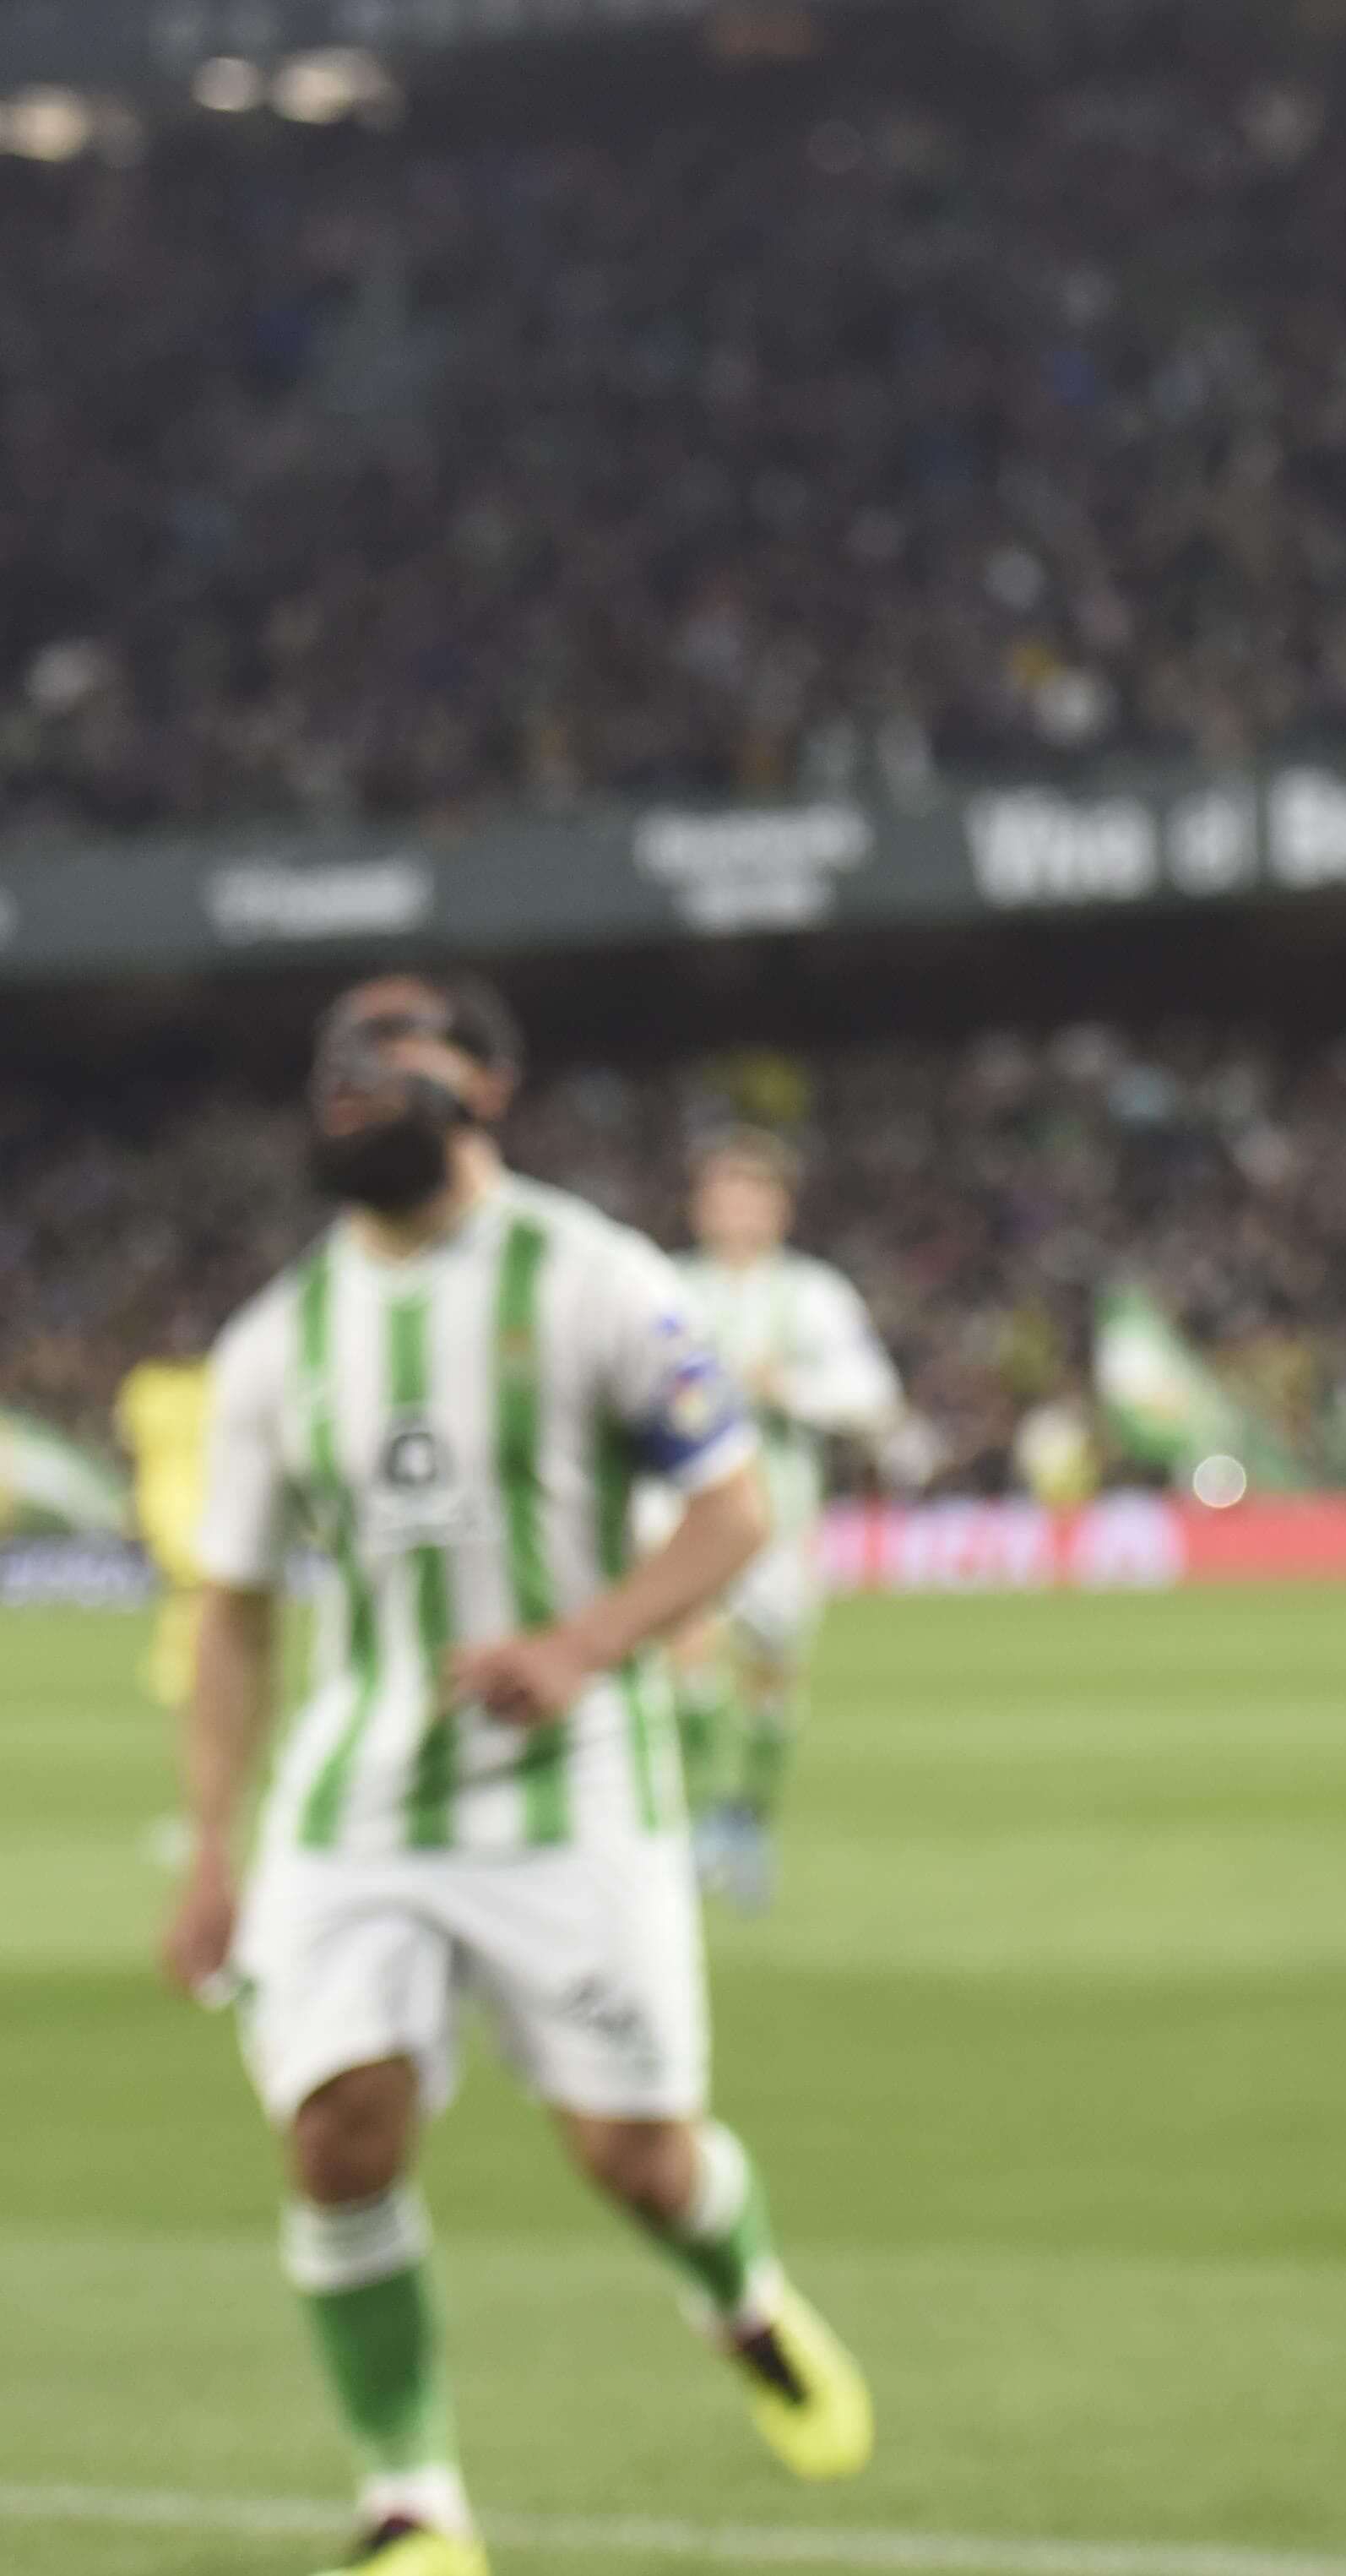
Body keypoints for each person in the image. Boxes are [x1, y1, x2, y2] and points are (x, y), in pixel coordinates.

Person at [155, 974, 875, 2576]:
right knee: (338, 2125)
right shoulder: (281, 1340)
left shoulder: (596, 1279)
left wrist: (583, 1645)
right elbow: (237, 1614)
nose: (359, 1084)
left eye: (398, 1059)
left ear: (483, 1088)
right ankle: (412, 2496)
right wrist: (211, 1846)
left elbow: (732, 1510)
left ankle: (738, 2296)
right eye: (337, 1067)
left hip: (572, 1794)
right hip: (357, 1805)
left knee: (634, 2155)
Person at [653, 1129, 904, 1912]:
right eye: (720, 1194)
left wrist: (787, 1387)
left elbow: (874, 1398)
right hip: (681, 1514)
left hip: (779, 1521)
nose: (733, 1210)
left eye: (749, 1194)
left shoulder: (814, 1294)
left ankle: (746, 1819)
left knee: (770, 1676)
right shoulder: (662, 1286)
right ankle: (696, 1820)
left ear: (779, 1208)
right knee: (686, 1656)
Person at [118, 1339, 216, 1717]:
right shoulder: (212, 1383)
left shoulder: (144, 1387)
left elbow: (128, 1443)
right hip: (198, 1503)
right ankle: (181, 1668)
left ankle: (177, 1667)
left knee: (188, 1591)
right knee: (197, 1590)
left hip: (162, 1505)